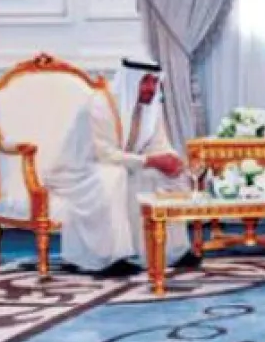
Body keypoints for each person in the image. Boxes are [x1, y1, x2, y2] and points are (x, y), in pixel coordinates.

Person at [47, 58, 195, 276]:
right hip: (82, 172)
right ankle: (111, 257)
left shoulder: (151, 106)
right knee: (113, 176)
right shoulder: (99, 106)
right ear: (130, 81)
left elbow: (158, 145)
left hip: (125, 165)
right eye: (145, 82)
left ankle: (171, 251)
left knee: (168, 176)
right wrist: (150, 161)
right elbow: (104, 155)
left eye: (155, 82)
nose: (151, 88)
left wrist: (172, 161)